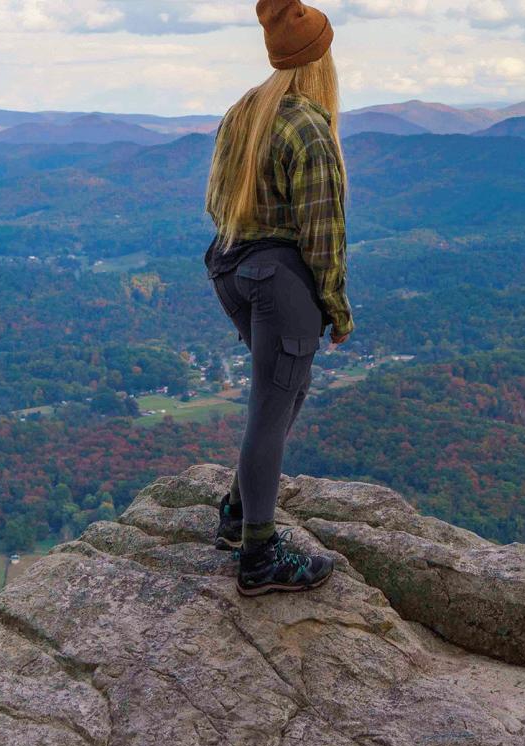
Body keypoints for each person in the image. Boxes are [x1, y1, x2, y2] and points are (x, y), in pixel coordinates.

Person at [203, 0, 353, 597]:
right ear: (319, 61)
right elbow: (323, 235)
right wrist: (336, 309)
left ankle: (238, 512)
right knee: (270, 408)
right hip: (279, 279)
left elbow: (216, 203)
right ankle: (259, 556)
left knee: (288, 388)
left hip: (231, 268)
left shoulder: (245, 111)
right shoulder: (310, 128)